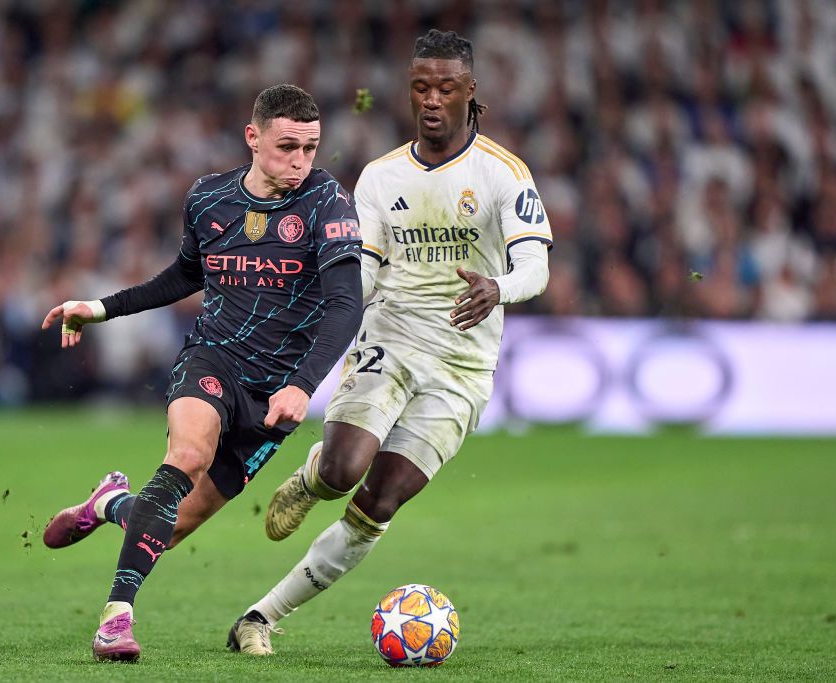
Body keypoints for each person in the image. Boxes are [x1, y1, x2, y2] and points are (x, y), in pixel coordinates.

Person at [226, 30, 552, 656]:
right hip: (393, 334)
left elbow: (534, 264)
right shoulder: (380, 177)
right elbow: (367, 269)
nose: (432, 100)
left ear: (470, 92)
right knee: (345, 470)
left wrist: (501, 288)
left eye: (446, 88)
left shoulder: (504, 173)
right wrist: (334, 299)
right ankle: (315, 478)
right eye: (421, 87)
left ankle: (258, 618)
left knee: (381, 499)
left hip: (463, 363)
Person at [40, 84, 363, 662]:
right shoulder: (209, 197)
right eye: (287, 146)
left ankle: (108, 503)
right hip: (213, 360)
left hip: (276, 396)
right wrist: (100, 307)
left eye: (311, 148)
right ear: (253, 137)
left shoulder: (328, 205)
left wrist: (303, 384)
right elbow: (184, 275)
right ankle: (116, 618)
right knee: (186, 457)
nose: (300, 161)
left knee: (170, 526)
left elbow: (346, 305)